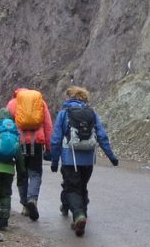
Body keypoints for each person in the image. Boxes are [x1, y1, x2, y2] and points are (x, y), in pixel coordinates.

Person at [48, 86, 118, 236]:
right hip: (88, 160)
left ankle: (79, 215)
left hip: (70, 159)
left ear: (69, 97)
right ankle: (81, 218)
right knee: (82, 187)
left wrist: (54, 161)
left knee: (73, 188)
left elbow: (55, 139)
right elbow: (102, 136)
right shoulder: (92, 113)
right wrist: (111, 157)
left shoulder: (64, 113)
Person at [7, 87, 54, 221]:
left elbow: (7, 125)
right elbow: (48, 125)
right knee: (35, 173)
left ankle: (25, 205)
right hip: (37, 143)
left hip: (19, 143)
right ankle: (32, 199)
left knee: (22, 173)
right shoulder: (41, 103)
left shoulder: (12, 103)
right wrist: (49, 148)